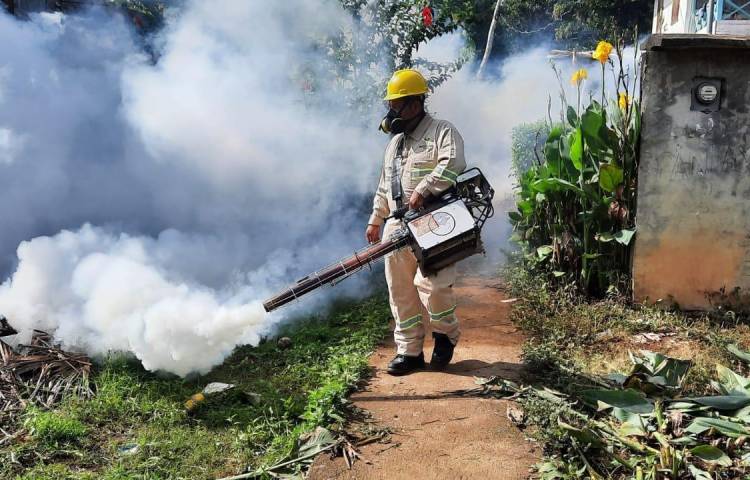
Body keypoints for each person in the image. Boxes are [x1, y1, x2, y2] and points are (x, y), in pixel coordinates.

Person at [365, 69, 466, 376]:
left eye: (398, 105)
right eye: (391, 105)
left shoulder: (442, 131)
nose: (392, 112)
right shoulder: (394, 144)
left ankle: (444, 335)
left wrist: (424, 189)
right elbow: (386, 185)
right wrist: (375, 220)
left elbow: (454, 163)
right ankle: (409, 352)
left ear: (415, 103)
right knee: (400, 291)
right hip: (397, 226)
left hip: (436, 220)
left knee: (432, 286)